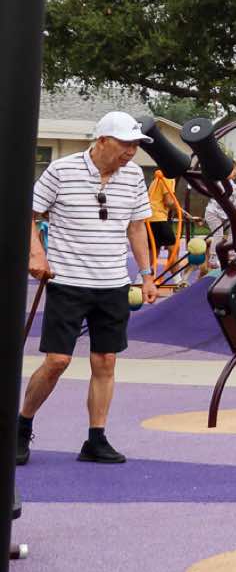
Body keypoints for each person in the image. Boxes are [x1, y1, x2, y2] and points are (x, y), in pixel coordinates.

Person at [18, 112, 158, 465]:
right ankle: (21, 426)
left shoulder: (133, 177)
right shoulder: (61, 171)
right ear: (102, 141)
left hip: (112, 283)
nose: (131, 152)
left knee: (105, 361)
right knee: (57, 361)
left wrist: (146, 275)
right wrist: (37, 253)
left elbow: (137, 228)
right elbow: (28, 214)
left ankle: (96, 439)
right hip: (67, 281)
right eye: (126, 144)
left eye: (136, 145)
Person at [147, 165, 178, 279]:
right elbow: (169, 201)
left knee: (154, 251)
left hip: (150, 217)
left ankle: (142, 278)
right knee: (174, 249)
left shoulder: (157, 178)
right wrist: (183, 213)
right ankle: (178, 280)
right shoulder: (168, 177)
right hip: (158, 217)